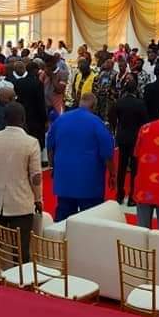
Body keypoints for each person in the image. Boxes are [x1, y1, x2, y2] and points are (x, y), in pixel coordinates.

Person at [0, 101, 42, 261]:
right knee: (20, 250)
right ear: (23, 118)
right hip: (21, 204)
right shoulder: (31, 142)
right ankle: (19, 276)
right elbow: (35, 176)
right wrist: (38, 199)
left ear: (4, 118)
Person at [47, 93, 115, 221]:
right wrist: (112, 174)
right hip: (89, 182)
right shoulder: (97, 123)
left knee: (63, 220)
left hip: (64, 179)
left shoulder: (61, 120)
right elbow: (107, 153)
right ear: (94, 107)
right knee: (90, 221)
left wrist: (52, 166)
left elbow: (50, 145)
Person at [113, 79, 148, 206]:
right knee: (134, 168)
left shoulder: (119, 102)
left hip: (122, 136)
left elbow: (112, 117)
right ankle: (132, 197)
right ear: (136, 89)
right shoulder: (140, 104)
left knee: (121, 167)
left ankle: (119, 195)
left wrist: (117, 128)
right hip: (135, 138)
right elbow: (145, 122)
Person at [12, 60, 48, 150]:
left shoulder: (19, 82)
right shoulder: (38, 83)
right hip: (36, 118)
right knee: (36, 144)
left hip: (22, 116)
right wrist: (45, 119)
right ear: (35, 70)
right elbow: (41, 103)